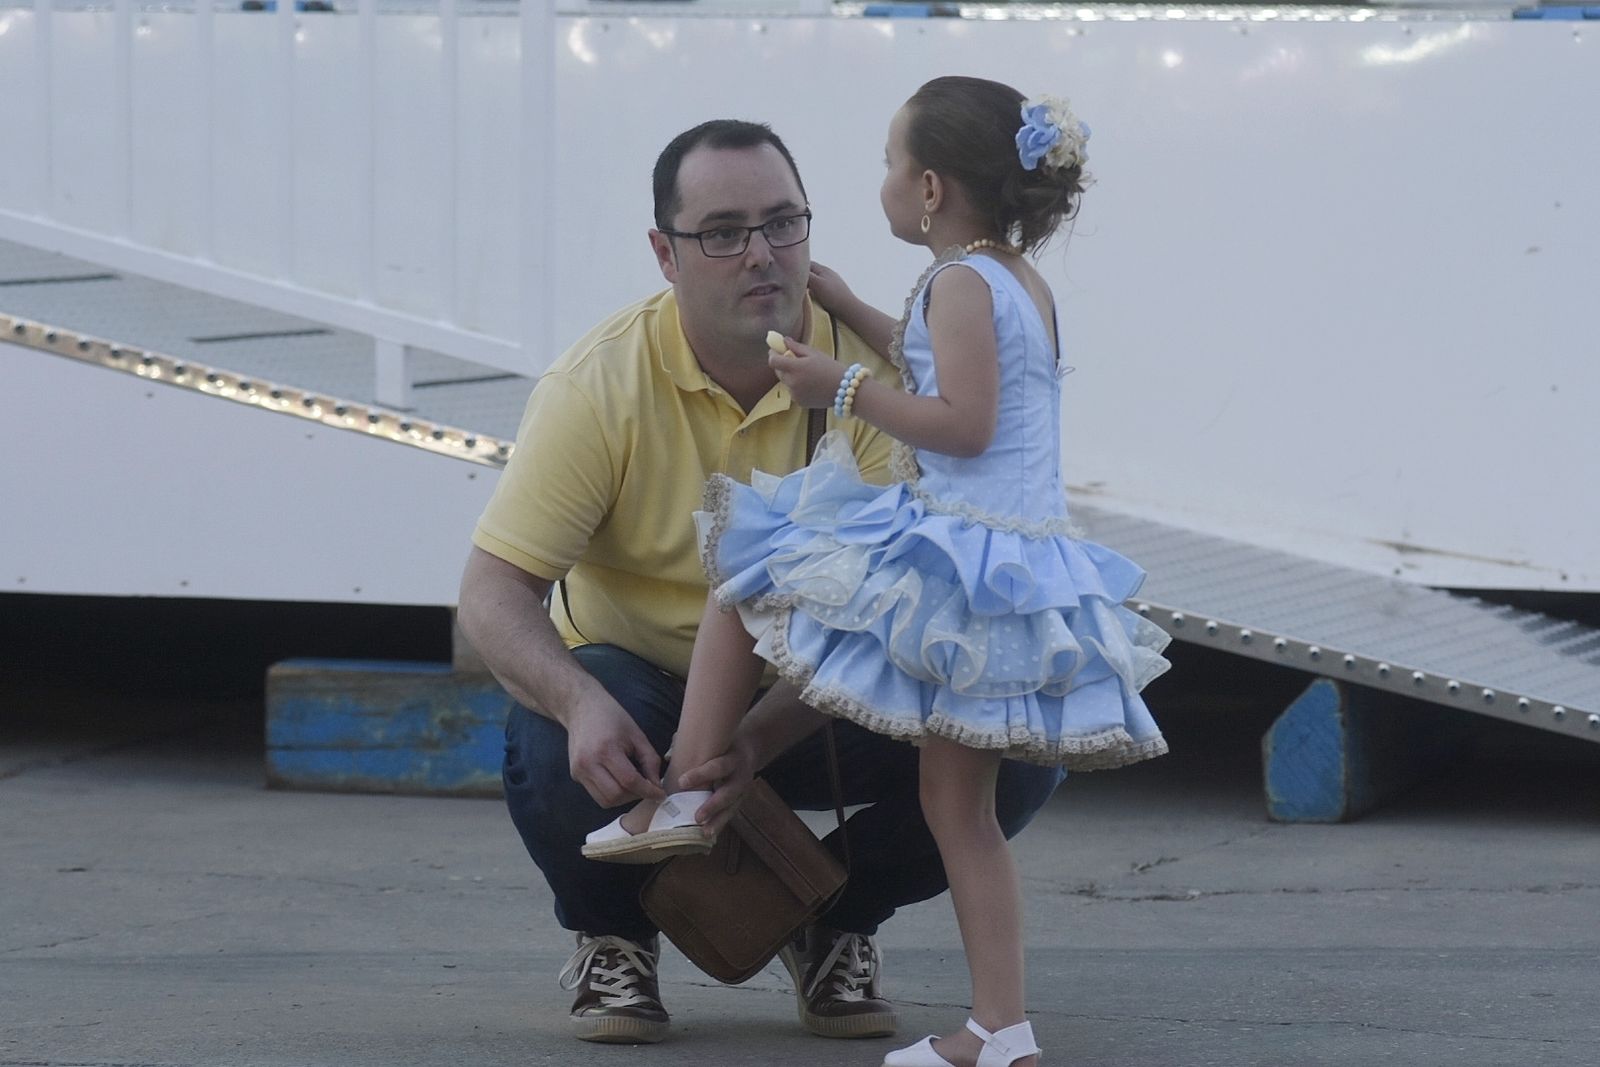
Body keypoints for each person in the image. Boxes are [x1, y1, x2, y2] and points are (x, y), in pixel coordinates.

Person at [580, 79, 1172, 1067]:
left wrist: (839, 382)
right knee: (959, 810)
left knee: (750, 562)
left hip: (960, 553)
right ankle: (999, 1025)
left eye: (892, 164)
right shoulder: (1009, 277)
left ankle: (681, 795)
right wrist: (848, 304)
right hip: (1009, 561)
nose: (884, 182)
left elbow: (963, 422)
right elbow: (941, 364)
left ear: (930, 187)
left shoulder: (958, 283)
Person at [456, 117, 1066, 1047]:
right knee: (550, 730)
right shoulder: (598, 383)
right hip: (650, 696)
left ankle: (831, 920)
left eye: (784, 222)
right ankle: (613, 935)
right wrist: (581, 706)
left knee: (1013, 744)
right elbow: (492, 593)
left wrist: (757, 733)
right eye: (722, 232)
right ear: (665, 254)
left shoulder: (877, 380)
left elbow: (896, 608)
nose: (761, 253)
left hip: (826, 689)